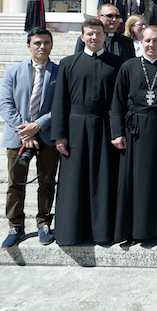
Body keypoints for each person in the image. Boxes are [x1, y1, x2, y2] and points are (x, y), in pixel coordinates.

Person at [110, 26, 157, 242]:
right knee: (135, 181)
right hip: (134, 132)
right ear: (140, 42)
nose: (151, 44)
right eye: (147, 40)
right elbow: (117, 103)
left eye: (156, 41)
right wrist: (117, 132)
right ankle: (134, 229)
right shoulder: (128, 67)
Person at [51, 19, 123, 246]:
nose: (94, 38)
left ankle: (101, 233)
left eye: (98, 34)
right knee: (73, 181)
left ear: (104, 36)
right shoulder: (68, 63)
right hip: (74, 131)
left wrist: (117, 131)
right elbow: (59, 102)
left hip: (104, 127)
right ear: (82, 37)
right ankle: (71, 232)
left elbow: (120, 103)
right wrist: (59, 135)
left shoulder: (117, 64)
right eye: (89, 34)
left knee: (103, 179)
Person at [0, 27, 60, 247]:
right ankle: (15, 225)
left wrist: (37, 125)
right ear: (29, 46)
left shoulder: (59, 72)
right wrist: (23, 130)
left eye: (46, 42)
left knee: (47, 181)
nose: (42, 46)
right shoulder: (13, 72)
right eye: (37, 43)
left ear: (51, 45)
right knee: (15, 183)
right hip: (18, 138)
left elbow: (61, 106)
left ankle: (44, 222)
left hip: (47, 137)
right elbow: (4, 104)